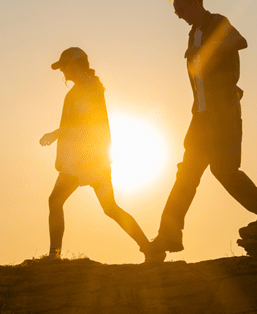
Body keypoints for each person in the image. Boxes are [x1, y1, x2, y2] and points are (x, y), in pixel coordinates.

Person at [147, 0, 257, 257]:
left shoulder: (216, 22)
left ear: (195, 3)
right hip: (201, 115)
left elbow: (239, 41)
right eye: (176, 12)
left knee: (224, 170)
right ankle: (168, 236)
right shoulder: (192, 34)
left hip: (222, 113)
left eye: (181, 10)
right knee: (187, 175)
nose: (178, 16)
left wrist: (208, 51)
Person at [40, 47, 165, 263]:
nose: (63, 73)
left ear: (75, 65)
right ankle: (149, 249)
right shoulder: (88, 87)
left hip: (87, 159)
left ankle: (54, 255)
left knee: (66, 202)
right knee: (107, 207)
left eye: (65, 67)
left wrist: (54, 134)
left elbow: (83, 123)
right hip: (87, 159)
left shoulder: (88, 88)